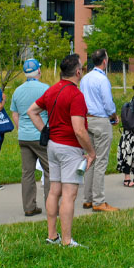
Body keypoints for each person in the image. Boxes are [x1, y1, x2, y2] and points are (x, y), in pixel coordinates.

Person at [28, 54, 96, 247]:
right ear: (77, 71)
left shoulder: (52, 90)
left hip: (53, 146)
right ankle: (66, 240)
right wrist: (91, 152)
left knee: (54, 190)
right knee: (69, 194)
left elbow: (32, 111)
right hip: (69, 148)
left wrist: (45, 130)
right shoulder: (76, 95)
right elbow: (79, 129)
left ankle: (52, 235)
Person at [9, 59, 51, 217]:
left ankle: (29, 207)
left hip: (24, 136)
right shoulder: (45, 89)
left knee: (27, 172)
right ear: (39, 71)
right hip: (41, 135)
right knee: (50, 171)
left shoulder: (17, 91)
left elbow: (15, 114)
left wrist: (22, 129)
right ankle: (51, 205)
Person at [79, 49, 120, 212]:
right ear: (105, 61)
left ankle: (87, 198)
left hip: (86, 119)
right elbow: (108, 103)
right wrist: (114, 116)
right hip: (101, 120)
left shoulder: (85, 78)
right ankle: (99, 200)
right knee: (101, 161)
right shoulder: (102, 79)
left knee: (90, 159)